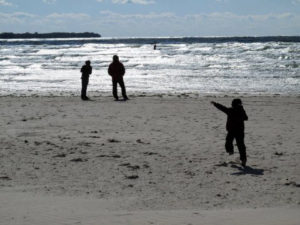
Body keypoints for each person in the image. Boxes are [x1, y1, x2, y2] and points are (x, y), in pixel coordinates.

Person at [211, 99, 248, 166]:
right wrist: (242, 111)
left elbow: (222, 108)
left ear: (233, 104)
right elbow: (246, 118)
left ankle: (231, 151)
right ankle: (243, 159)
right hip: (240, 131)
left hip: (232, 130)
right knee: (241, 145)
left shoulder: (230, 110)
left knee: (228, 142)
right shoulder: (241, 110)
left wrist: (215, 104)